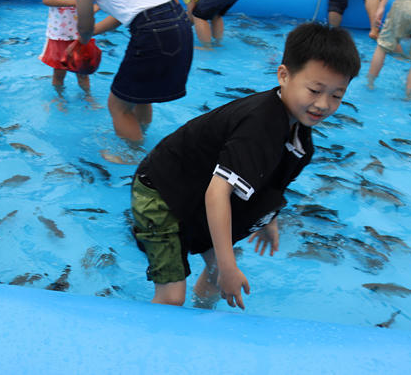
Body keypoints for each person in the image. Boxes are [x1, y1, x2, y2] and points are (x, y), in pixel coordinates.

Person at [130, 22, 360, 307]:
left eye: (337, 95)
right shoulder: (259, 126)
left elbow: (270, 181)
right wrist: (227, 269)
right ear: (284, 75)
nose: (324, 104)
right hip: (158, 192)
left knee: (220, 269)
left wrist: (268, 219)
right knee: (173, 296)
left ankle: (201, 320)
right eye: (315, 90)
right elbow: (217, 193)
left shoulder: (299, 138)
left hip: (192, 191)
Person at [57, 0, 192, 143]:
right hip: (179, 23)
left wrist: (81, 40)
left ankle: (132, 156)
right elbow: (128, 12)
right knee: (141, 96)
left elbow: (85, 25)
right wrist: (86, 37)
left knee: (117, 105)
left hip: (152, 33)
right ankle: (142, 138)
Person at [34, 0, 92, 93]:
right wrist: (78, 2)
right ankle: (59, 99)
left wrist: (92, 7)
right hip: (59, 30)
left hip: (83, 29)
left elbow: (97, 0)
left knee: (83, 73)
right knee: (59, 73)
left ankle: (88, 97)